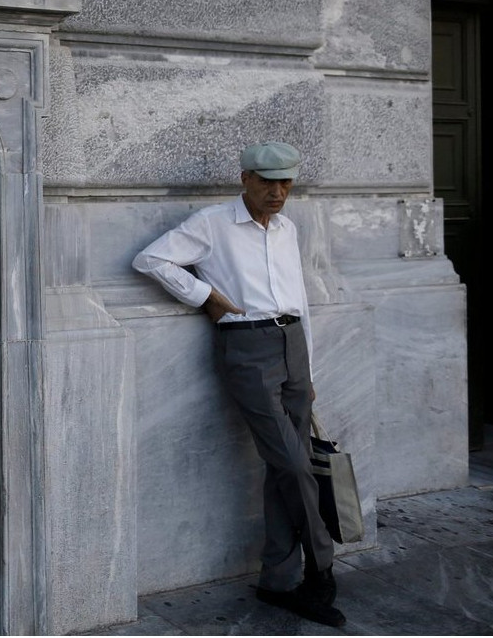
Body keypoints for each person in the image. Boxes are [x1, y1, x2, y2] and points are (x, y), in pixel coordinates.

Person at [131, 140, 344, 628]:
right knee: (294, 465)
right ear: (245, 178)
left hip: (293, 346)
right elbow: (152, 260)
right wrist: (206, 295)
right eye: (267, 181)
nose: (278, 192)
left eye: (286, 182)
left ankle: (277, 579)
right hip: (247, 348)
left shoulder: (287, 228)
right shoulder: (212, 224)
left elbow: (300, 298)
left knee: (283, 467)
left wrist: (309, 371)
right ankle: (322, 571)